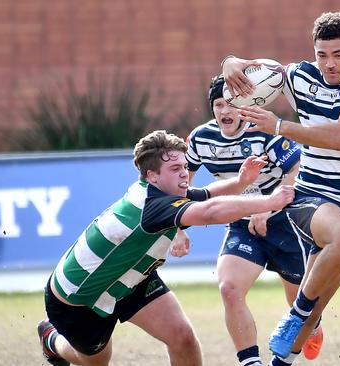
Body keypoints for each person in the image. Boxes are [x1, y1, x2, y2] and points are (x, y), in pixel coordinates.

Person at [37, 129, 295, 366]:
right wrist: (266, 202)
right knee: (94, 361)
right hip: (80, 299)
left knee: (183, 338)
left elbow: (206, 194)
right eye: (175, 168)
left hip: (132, 279)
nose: (184, 173)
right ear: (152, 175)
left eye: (184, 166)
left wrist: (241, 181)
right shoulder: (152, 206)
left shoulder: (161, 192)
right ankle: (52, 340)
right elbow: (210, 212)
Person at [221, 12, 340, 365]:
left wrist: (280, 126)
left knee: (314, 312)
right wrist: (230, 63)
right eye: (321, 55)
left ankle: (291, 339)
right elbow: (251, 69)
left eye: (338, 55)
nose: (329, 64)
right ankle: (295, 315)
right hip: (309, 193)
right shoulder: (299, 75)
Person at [172, 75, 321, 365]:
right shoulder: (202, 138)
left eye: (231, 104)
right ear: (211, 108)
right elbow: (182, 184)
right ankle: (250, 362)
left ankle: (312, 325)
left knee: (301, 305)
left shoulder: (263, 131)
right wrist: (178, 228)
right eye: (218, 105)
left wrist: (268, 206)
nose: (225, 111)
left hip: (284, 221)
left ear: (243, 105)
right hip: (242, 223)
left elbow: (297, 170)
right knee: (229, 288)